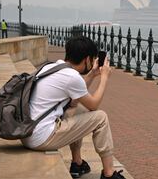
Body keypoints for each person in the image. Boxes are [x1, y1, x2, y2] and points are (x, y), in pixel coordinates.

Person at [21, 36, 126, 179]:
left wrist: (93, 74)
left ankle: (77, 163)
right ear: (87, 59)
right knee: (101, 117)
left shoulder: (51, 67)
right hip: (41, 138)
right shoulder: (71, 77)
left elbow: (74, 99)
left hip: (28, 133)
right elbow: (94, 104)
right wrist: (104, 78)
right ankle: (109, 173)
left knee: (78, 110)